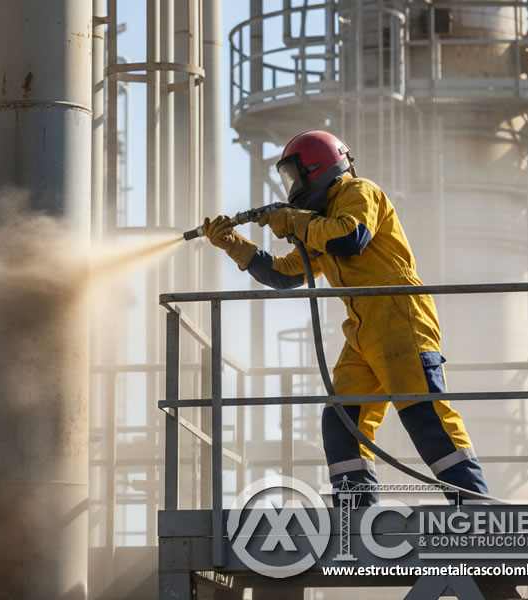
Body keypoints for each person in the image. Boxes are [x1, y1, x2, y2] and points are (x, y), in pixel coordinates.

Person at [203, 130, 489, 504]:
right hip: (362, 329)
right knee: (342, 422)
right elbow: (285, 275)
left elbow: (351, 237)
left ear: (318, 168)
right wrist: (234, 245)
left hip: (398, 313)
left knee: (425, 414)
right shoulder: (323, 222)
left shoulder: (358, 192)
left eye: (295, 175)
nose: (292, 186)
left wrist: (294, 221)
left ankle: (476, 506)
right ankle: (356, 513)